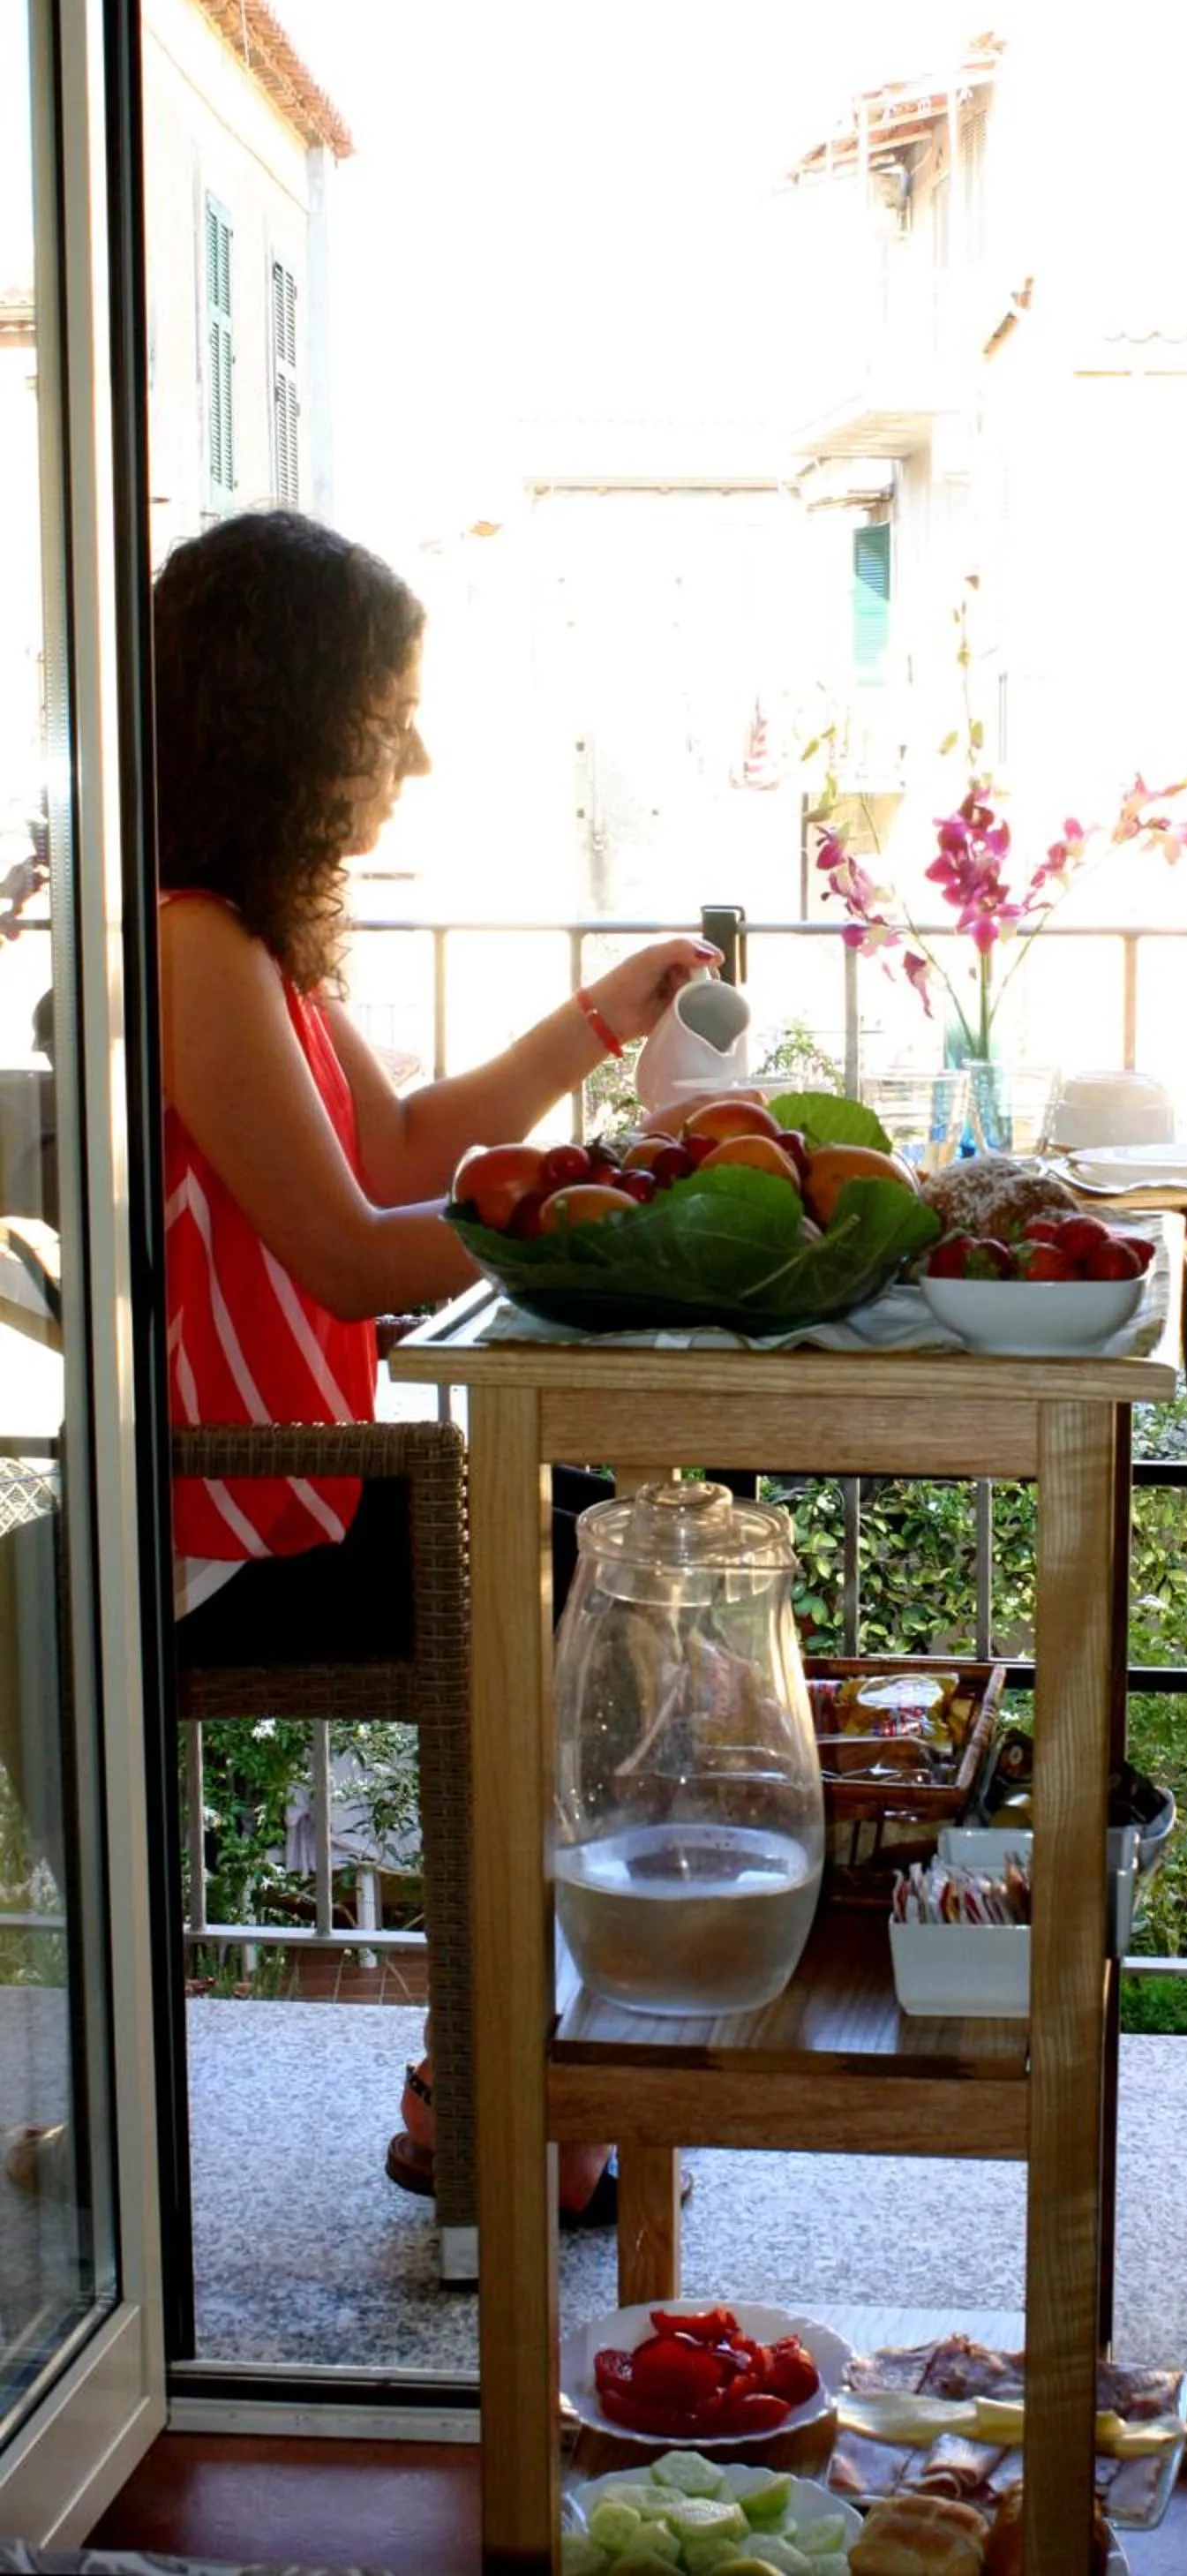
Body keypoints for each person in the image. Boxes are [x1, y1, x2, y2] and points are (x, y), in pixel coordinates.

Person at [154, 504, 718, 2225]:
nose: (413, 746)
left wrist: (600, 1029)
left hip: (289, 1502)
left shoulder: (246, 943)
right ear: (297, 719)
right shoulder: (187, 940)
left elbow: (405, 1143)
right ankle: (497, 2074)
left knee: (618, 1545)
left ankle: (503, 2060)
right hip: (220, 1534)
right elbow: (347, 1248)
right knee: (588, 1564)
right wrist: (609, 1217)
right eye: (387, 709)